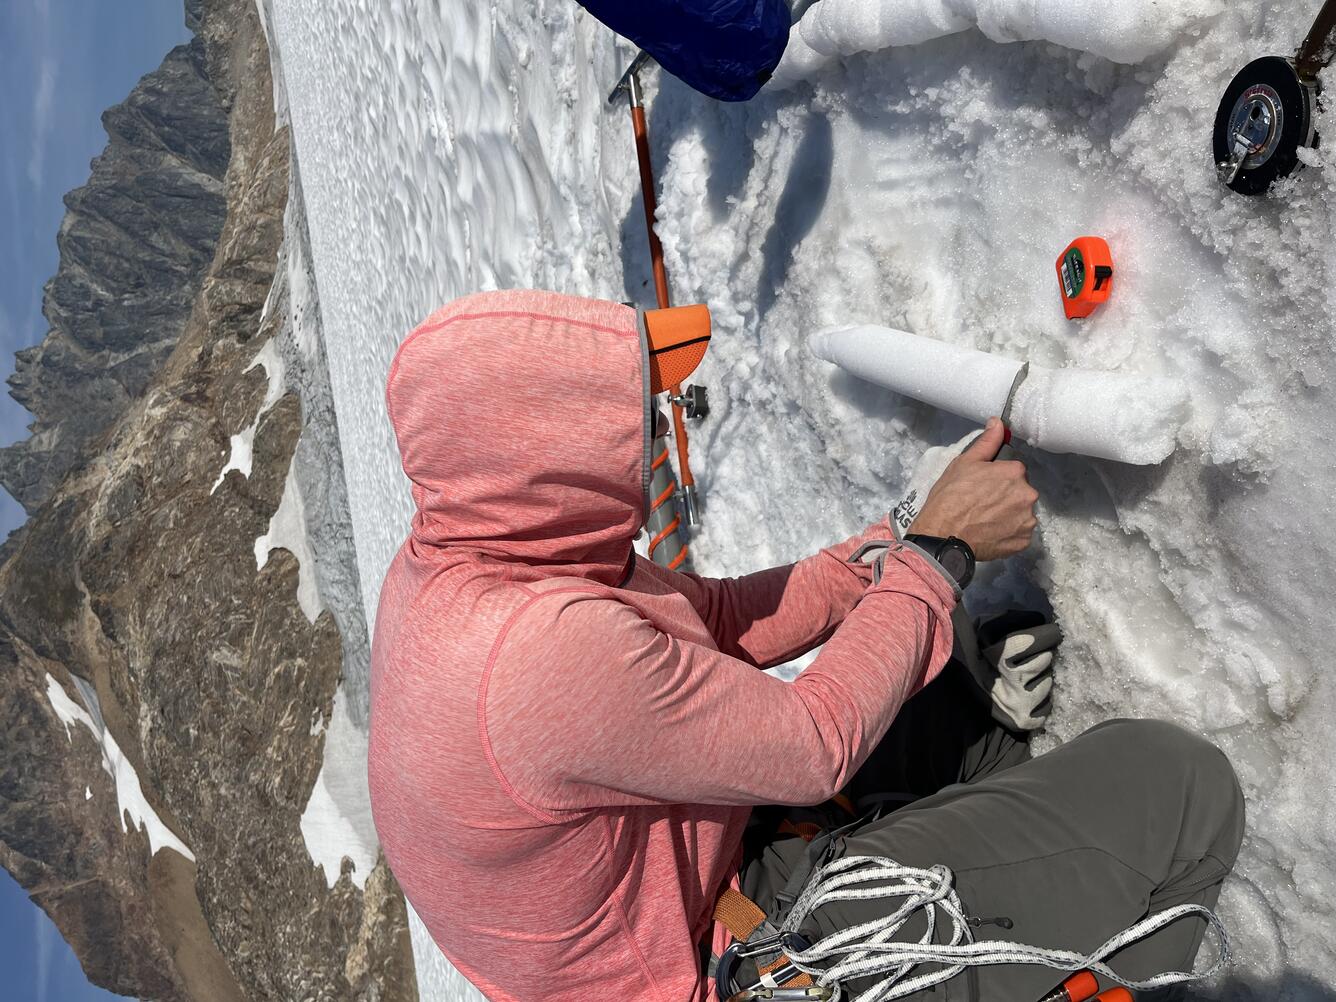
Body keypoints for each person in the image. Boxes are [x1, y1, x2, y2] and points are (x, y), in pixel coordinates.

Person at [368, 289, 1243, 1002]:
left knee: (951, 678)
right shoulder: (534, 657)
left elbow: (717, 622)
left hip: (706, 867)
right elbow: (812, 747)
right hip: (725, 963)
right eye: (635, 420)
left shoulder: (483, 552)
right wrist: (938, 558)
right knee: (1183, 789)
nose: (662, 432)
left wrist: (906, 533)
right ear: (553, 455)